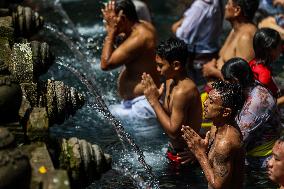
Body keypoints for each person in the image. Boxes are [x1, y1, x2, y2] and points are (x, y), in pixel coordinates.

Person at [141, 37, 202, 165]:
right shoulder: (170, 81)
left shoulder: (184, 91)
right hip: (174, 150)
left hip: (186, 156)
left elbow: (174, 132)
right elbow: (169, 118)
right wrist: (157, 100)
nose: (157, 69)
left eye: (161, 65)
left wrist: (154, 102)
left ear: (176, 65)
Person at [101, 0, 159, 119]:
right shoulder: (142, 26)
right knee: (100, 114)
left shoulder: (140, 38)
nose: (109, 24)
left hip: (142, 106)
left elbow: (105, 64)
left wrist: (111, 33)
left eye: (112, 21)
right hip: (135, 103)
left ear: (122, 18)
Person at [181, 80, 245, 189]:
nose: (205, 103)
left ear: (226, 112)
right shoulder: (216, 125)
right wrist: (203, 148)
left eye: (211, 101)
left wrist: (200, 154)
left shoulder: (226, 143)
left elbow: (218, 186)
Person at [221, 57, 282, 168]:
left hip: (262, 162)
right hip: (251, 149)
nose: (224, 87)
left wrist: (202, 150)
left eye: (226, 81)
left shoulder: (256, 103)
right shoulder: (251, 86)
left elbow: (237, 141)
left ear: (235, 81)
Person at [202, 0, 259, 85]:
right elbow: (222, 56)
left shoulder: (246, 38)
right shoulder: (235, 30)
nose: (225, 7)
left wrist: (213, 72)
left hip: (229, 95)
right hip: (217, 89)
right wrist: (213, 62)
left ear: (237, 10)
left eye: (228, 4)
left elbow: (243, 81)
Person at [171, 0, 223, 83]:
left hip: (199, 59)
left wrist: (175, 27)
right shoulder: (215, 2)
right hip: (211, 53)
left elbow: (183, 35)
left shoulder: (200, 5)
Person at [249, 28, 282, 98]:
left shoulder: (252, 63)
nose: (281, 49)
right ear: (270, 49)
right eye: (280, 46)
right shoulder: (265, 74)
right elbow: (262, 102)